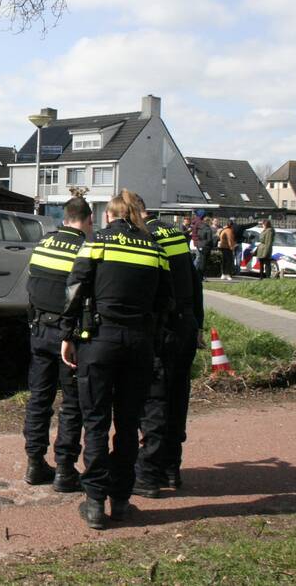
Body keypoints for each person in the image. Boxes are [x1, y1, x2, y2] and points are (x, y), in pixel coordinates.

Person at [60, 190, 174, 529]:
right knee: (127, 425)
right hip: (138, 344)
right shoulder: (156, 249)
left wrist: (68, 334)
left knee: (95, 421)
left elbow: (75, 288)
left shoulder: (97, 243)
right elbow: (165, 302)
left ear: (110, 215)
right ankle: (121, 500)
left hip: (98, 341)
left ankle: (95, 503)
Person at [126, 194, 204, 499]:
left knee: (155, 401)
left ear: (135, 214)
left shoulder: (147, 237)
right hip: (185, 326)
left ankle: (147, 475)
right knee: (177, 397)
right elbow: (195, 282)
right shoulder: (176, 234)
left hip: (164, 330)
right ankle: (172, 468)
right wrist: (197, 322)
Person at [23, 196, 93, 492]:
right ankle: (65, 469)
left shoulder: (42, 245)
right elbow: (83, 297)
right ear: (88, 221)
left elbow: (31, 286)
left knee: (39, 399)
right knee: (72, 404)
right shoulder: (85, 249)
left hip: (38, 330)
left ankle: (34, 463)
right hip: (68, 337)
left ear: (65, 218)